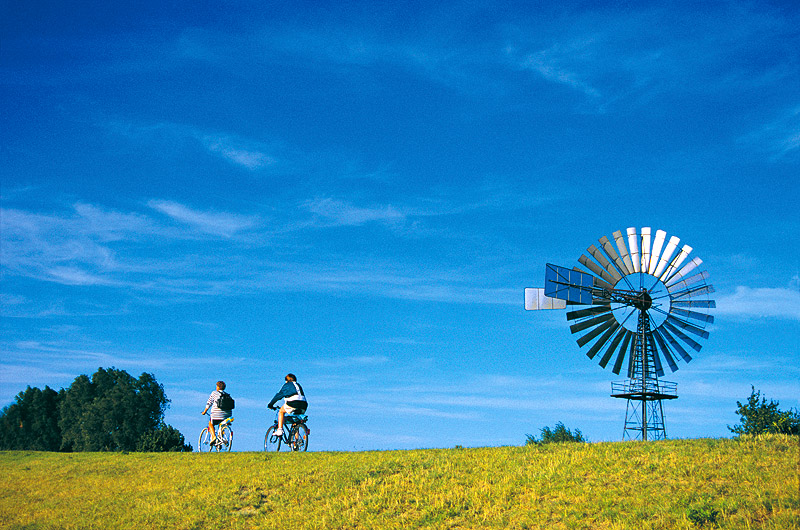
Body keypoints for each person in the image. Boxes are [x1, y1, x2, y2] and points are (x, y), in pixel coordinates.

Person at [201, 381, 232, 445]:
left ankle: (213, 437)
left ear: (218, 387)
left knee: (211, 424)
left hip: (216, 415)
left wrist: (204, 411)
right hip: (227, 415)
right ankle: (221, 441)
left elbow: (209, 403)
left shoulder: (214, 393)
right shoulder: (227, 395)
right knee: (221, 425)